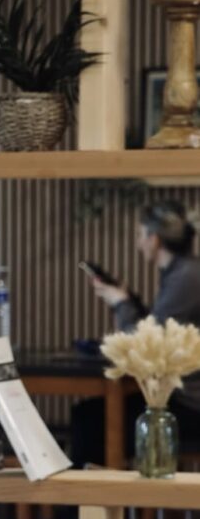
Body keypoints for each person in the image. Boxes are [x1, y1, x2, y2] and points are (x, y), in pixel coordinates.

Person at [72, 200, 200, 468]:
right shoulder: (182, 271)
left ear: (154, 240)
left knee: (90, 420)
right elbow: (159, 330)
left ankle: (90, 506)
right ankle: (90, 506)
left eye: (139, 235)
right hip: (182, 397)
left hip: (189, 404)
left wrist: (121, 303)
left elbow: (148, 346)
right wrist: (130, 302)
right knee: (88, 414)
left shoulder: (185, 277)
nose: (138, 243)